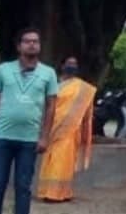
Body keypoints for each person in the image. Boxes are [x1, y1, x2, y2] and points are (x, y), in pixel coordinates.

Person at [0, 30, 59, 214]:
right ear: (19, 46)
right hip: (3, 137)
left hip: (29, 141)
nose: (32, 45)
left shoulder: (48, 73)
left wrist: (45, 136)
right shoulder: (4, 70)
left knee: (23, 188)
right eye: (27, 41)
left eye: (36, 41)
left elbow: (52, 106)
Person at [34, 56, 96, 203]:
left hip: (70, 129)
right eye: (69, 63)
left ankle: (62, 192)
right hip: (51, 127)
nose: (72, 66)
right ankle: (48, 191)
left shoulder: (82, 88)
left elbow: (86, 110)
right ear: (62, 66)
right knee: (51, 160)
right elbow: (45, 105)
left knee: (64, 161)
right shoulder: (54, 84)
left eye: (75, 64)